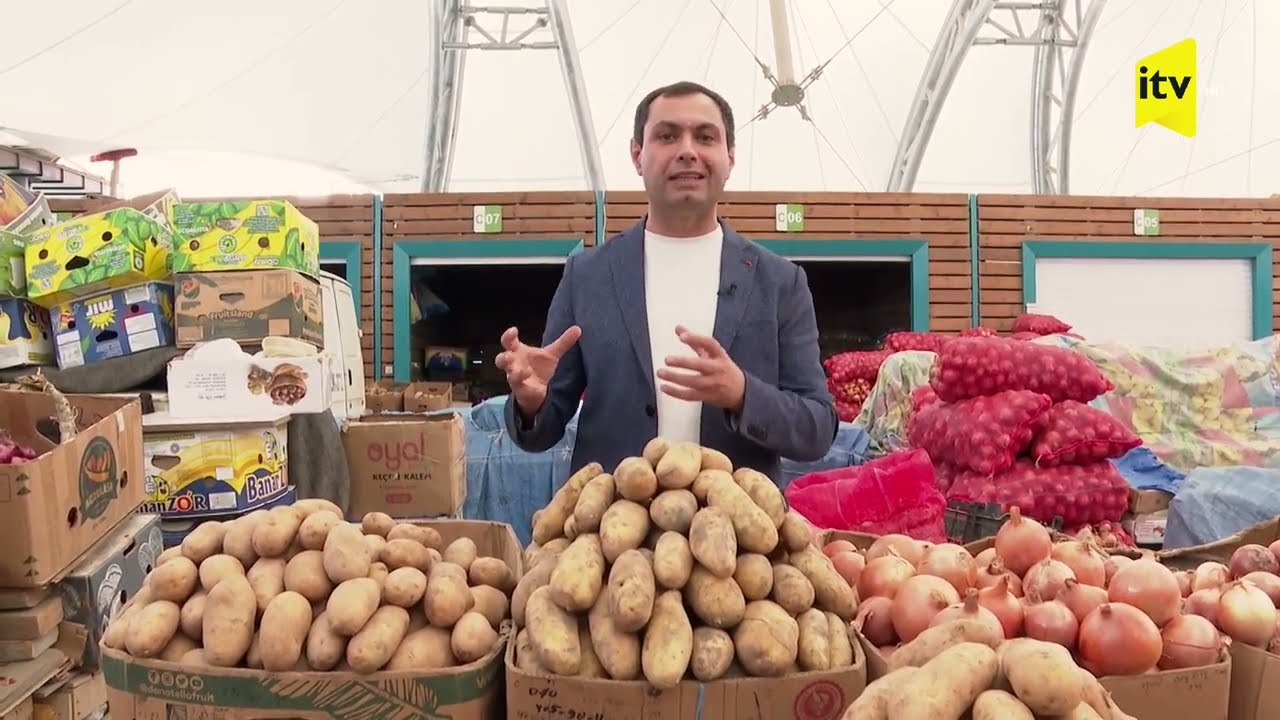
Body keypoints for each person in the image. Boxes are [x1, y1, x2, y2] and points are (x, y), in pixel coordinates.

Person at [496, 80, 837, 482]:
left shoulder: (780, 283)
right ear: (638, 155)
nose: (687, 150)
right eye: (667, 135)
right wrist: (532, 403)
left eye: (705, 137)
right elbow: (544, 428)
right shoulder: (587, 276)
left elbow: (816, 428)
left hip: (737, 534)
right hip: (612, 530)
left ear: (729, 157)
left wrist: (742, 394)